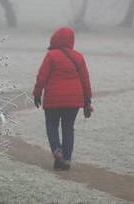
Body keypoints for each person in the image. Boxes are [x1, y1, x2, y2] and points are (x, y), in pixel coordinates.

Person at [33, 27, 93, 170]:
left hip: (53, 99)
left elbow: (42, 76)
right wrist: (87, 100)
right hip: (73, 101)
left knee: (51, 126)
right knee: (68, 128)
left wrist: (37, 93)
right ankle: (66, 160)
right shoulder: (78, 57)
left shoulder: (51, 56)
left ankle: (56, 150)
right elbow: (85, 80)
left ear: (55, 39)